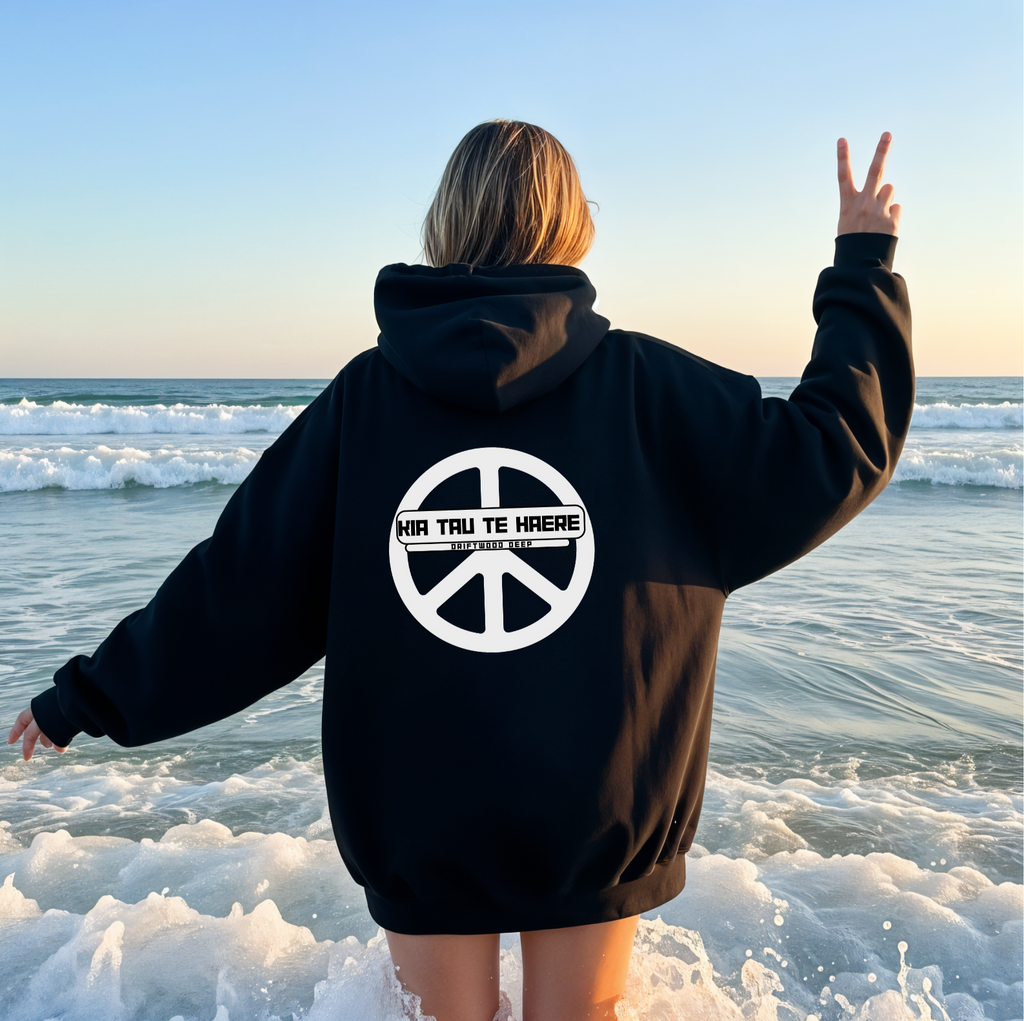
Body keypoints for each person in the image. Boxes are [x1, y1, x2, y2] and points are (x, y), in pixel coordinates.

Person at [8, 120, 912, 1021]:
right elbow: (827, 451)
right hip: (594, 800)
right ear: (573, 224)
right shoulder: (646, 387)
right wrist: (862, 265)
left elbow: (240, 587)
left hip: (421, 804)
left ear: (445, 222)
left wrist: (86, 698)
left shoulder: (364, 401)